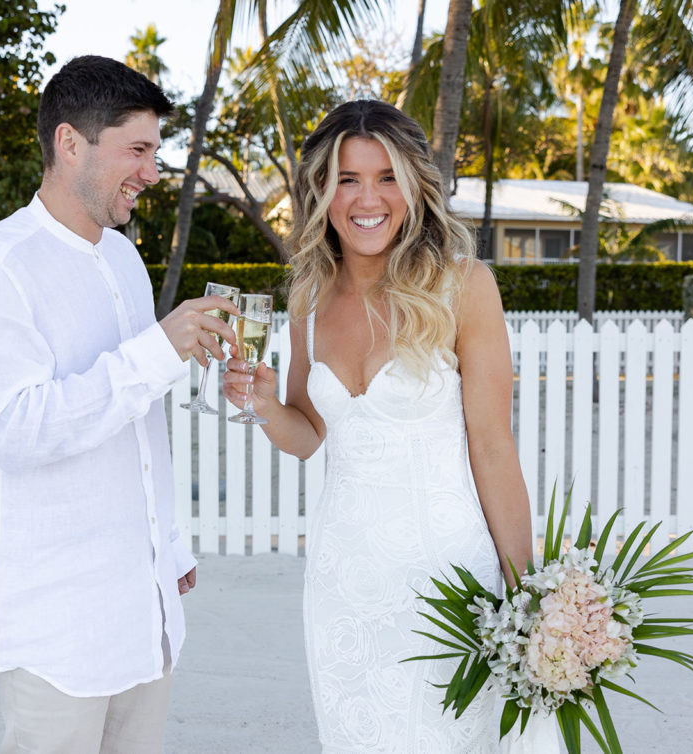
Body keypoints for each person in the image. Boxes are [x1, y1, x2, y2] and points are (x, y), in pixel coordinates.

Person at [224, 100, 552, 752]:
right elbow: (309, 434)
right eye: (347, 178)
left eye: (385, 177)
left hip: (447, 579)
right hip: (344, 583)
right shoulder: (308, 300)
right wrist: (263, 404)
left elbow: (492, 445)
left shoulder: (464, 285)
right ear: (321, 190)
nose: (366, 198)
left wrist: (527, 597)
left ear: (413, 187)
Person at [0, 55, 238, 753]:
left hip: (144, 610)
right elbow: (16, 430)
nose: (153, 171)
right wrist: (160, 350)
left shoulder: (124, 261)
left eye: (154, 151)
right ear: (71, 143)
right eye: (137, 149)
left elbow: (136, 426)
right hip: (56, 625)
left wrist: (166, 543)